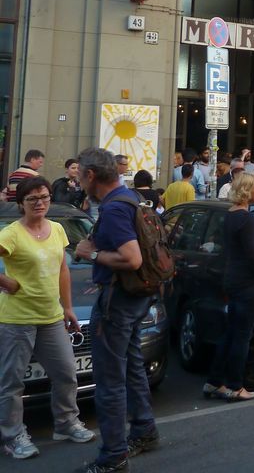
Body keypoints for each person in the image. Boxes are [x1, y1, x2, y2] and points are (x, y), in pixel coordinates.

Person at [73, 147, 159, 473]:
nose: (78, 178)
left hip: (118, 302)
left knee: (109, 378)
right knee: (132, 365)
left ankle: (114, 455)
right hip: (137, 297)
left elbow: (132, 258)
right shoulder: (130, 198)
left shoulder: (113, 210)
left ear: (91, 175)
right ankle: (144, 430)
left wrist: (92, 255)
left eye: (80, 172)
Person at [0, 176, 94, 460]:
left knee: (66, 373)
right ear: (21, 204)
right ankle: (12, 435)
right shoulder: (11, 234)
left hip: (51, 317)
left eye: (44, 197)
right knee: (12, 382)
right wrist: (7, 283)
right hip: (17, 319)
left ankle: (66, 423)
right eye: (32, 199)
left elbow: (62, 269)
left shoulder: (56, 229)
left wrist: (67, 307)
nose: (40, 203)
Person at [202, 172, 254, 401]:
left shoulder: (230, 215)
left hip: (231, 278)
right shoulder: (247, 219)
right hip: (247, 281)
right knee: (242, 336)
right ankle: (235, 386)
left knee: (230, 333)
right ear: (247, 191)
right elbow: (251, 251)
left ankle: (214, 381)